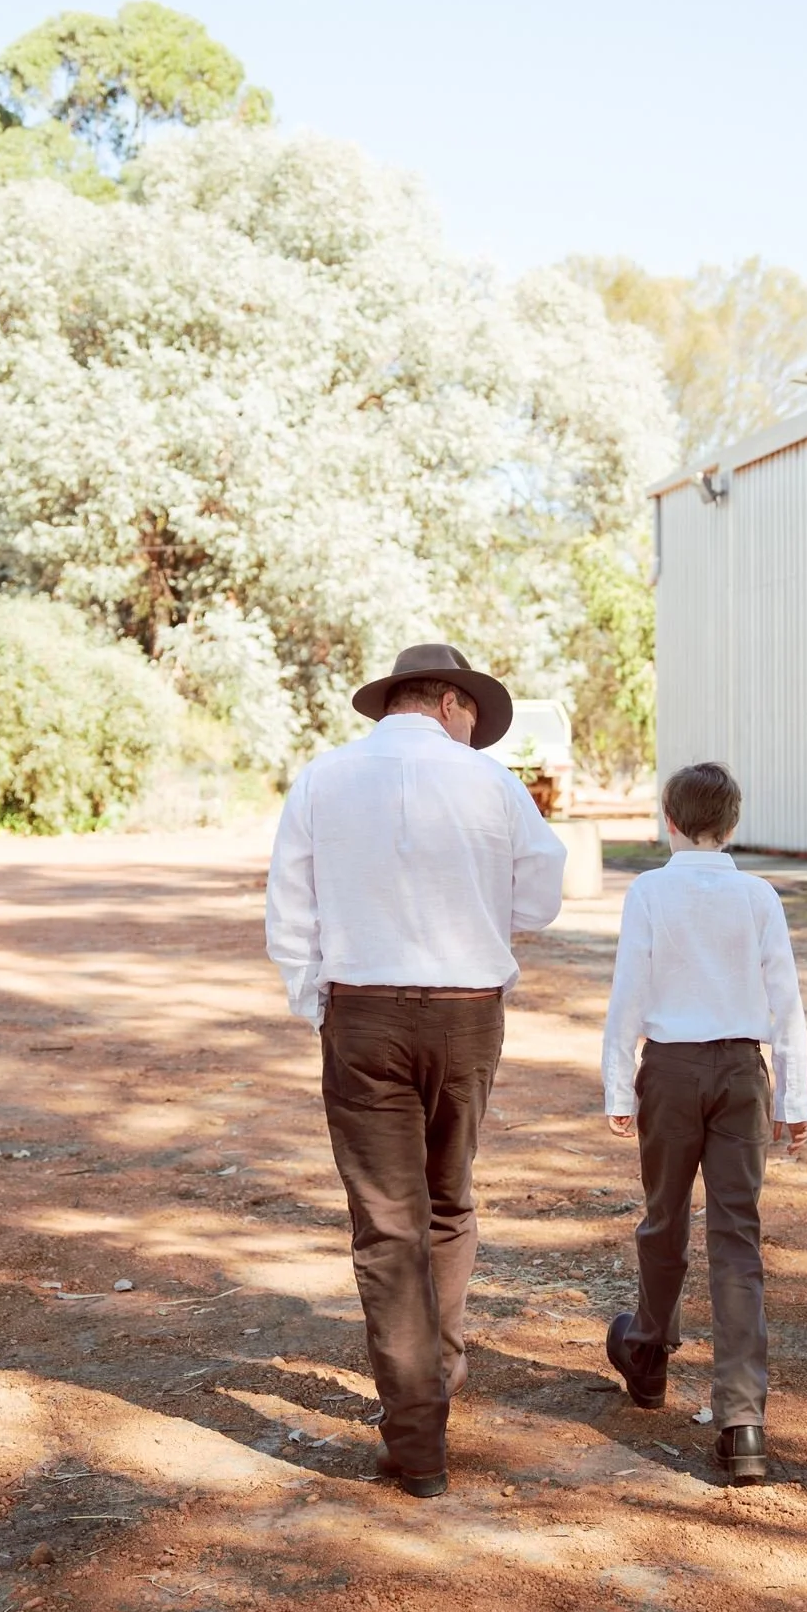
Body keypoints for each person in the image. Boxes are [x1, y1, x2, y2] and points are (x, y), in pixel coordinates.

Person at [266, 642, 567, 1498]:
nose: (477, 734)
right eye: (474, 717)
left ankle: (415, 1436)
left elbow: (291, 904)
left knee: (386, 1224)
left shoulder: (323, 778)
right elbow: (541, 895)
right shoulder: (492, 784)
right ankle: (436, 1381)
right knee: (445, 1204)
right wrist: (481, 921)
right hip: (468, 1012)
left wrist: (314, 1002)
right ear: (447, 703)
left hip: (363, 1011)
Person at [599, 761, 807, 1486]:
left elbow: (629, 986)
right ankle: (741, 1421)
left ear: (668, 820)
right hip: (741, 1076)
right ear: (733, 824)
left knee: (664, 1221)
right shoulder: (757, 895)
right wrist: (793, 1098)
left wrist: (617, 1085)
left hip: (669, 1070)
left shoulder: (648, 891)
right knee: (736, 1239)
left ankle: (648, 1355)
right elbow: (784, 998)